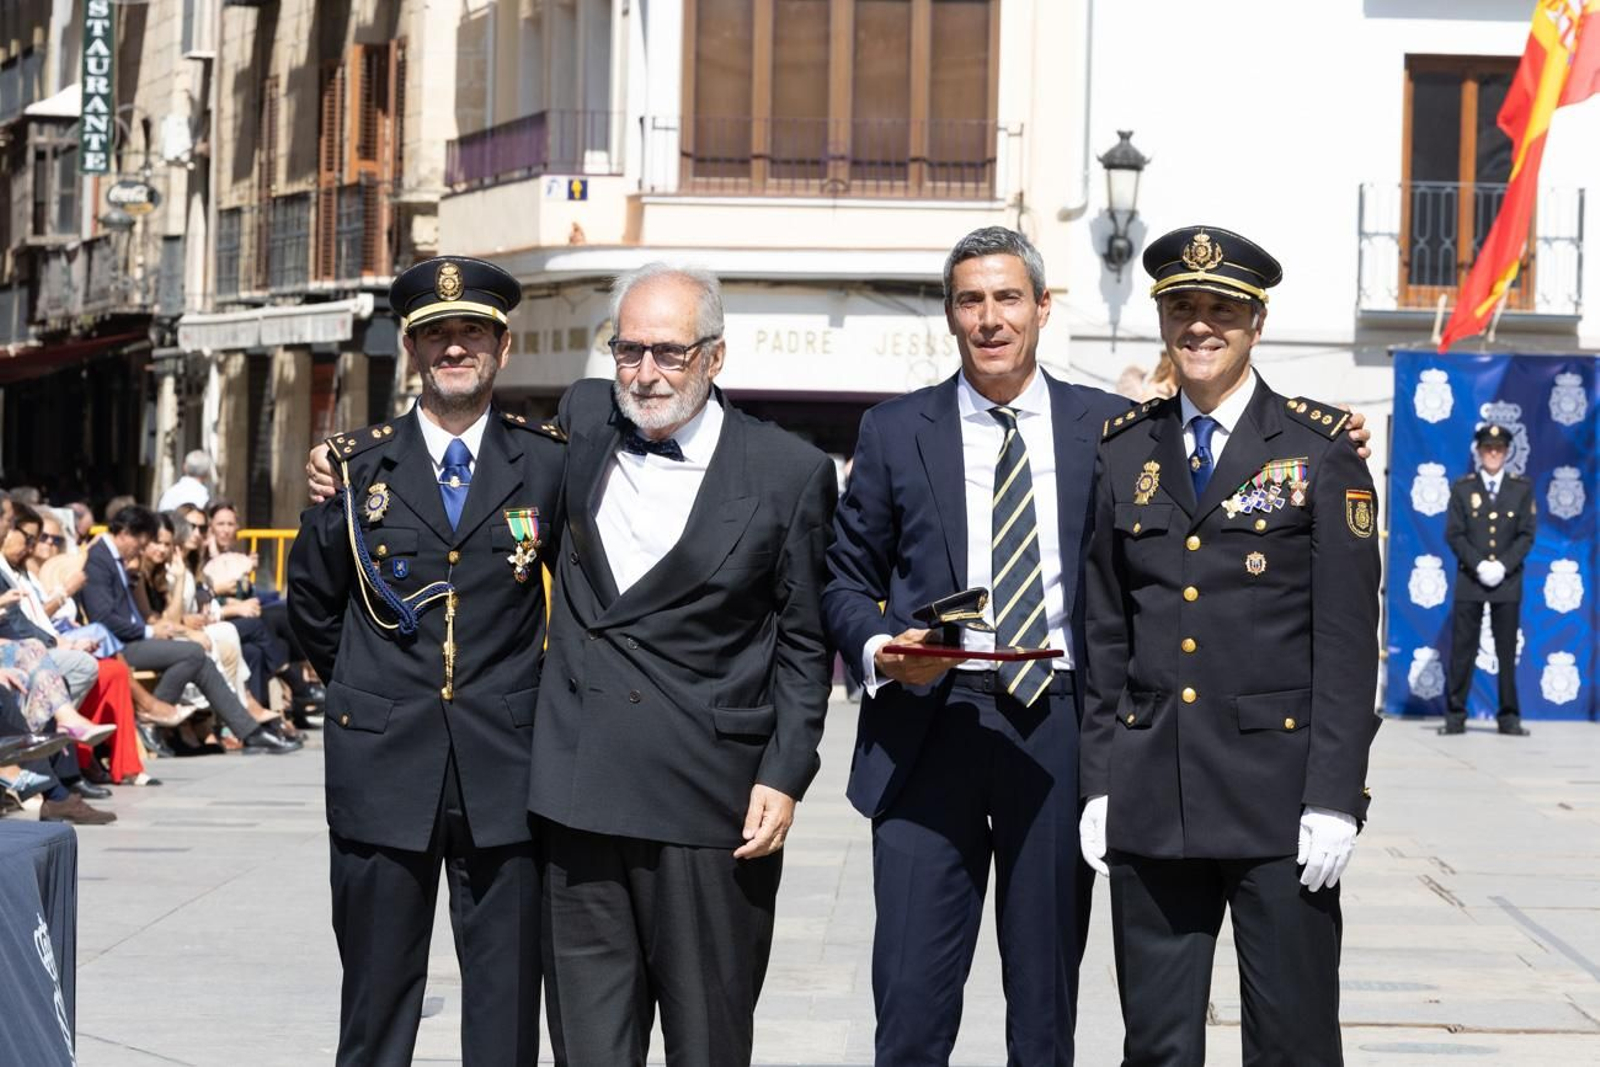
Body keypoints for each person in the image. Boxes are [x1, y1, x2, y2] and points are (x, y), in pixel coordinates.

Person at [823, 226, 1130, 1065]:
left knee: (1044, 1006)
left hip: (1057, 725)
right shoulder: (893, 432)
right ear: (950, 315)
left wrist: (1338, 436)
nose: (990, 318)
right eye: (970, 300)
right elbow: (843, 579)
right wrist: (884, 647)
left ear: (1041, 307)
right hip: (931, 724)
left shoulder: (1109, 428)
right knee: (913, 1003)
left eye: (1006, 298)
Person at [1078, 225, 1381, 1066]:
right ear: (1163, 319)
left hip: (1278, 802)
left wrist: (1334, 795)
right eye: (1183, 307)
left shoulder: (1320, 451)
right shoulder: (1125, 449)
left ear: (1257, 324)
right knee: (1159, 1046)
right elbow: (1106, 627)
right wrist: (1100, 780)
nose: (1200, 325)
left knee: (1292, 1042)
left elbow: (1350, 645)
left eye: (1222, 310)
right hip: (1154, 792)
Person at [525, 263, 835, 1067]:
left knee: (709, 1046)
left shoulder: (786, 472)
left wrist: (786, 771)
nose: (646, 373)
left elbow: (805, 641)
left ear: (715, 357)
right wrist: (346, 461)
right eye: (628, 350)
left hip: (711, 807)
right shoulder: (585, 417)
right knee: (588, 1051)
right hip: (579, 798)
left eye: (669, 351)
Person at [287, 256, 566, 1066]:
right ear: (410, 350)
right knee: (376, 1001)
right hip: (382, 765)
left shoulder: (546, 463)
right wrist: (375, 687)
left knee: (508, 1006)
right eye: (435, 334)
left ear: (503, 347)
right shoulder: (354, 467)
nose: (454, 348)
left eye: (471, 332)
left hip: (507, 770)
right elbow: (313, 599)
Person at [80, 505, 299, 754]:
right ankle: (153, 716)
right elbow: (103, 618)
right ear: (127, 533)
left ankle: (249, 732)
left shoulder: (114, 559)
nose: (141, 550)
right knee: (193, 653)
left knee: (197, 657)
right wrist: (150, 632)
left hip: (133, 637)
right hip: (120, 645)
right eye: (141, 543)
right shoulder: (99, 559)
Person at [1442, 423, 1537, 736]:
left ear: (1507, 452)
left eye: (1499, 449)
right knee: (1462, 651)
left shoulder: (1521, 489)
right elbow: (1454, 534)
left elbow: (1526, 535)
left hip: (1507, 583)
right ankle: (1455, 716)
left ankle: (1508, 718)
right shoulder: (1463, 488)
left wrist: (1503, 566)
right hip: (1471, 579)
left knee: (1507, 652)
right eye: (1488, 448)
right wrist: (1479, 563)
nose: (1493, 453)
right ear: (1479, 451)